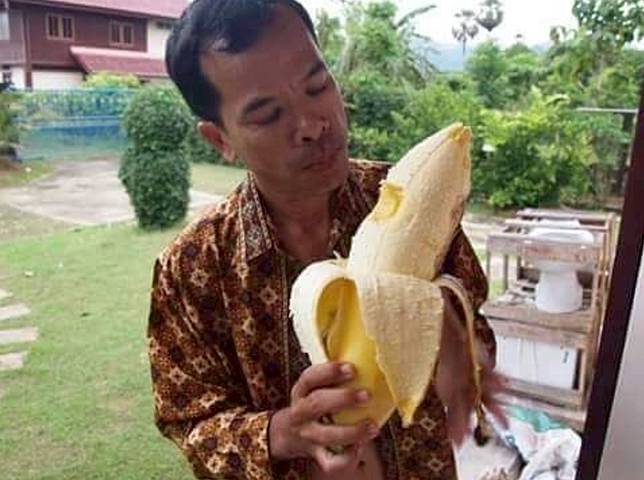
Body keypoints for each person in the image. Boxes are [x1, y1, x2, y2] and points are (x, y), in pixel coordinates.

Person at [148, 1, 505, 478]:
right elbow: (188, 420)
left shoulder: (411, 199)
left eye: (318, 86)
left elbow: (475, 325)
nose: (315, 125)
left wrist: (459, 346)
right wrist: (283, 432)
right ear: (220, 139)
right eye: (268, 115)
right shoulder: (192, 268)